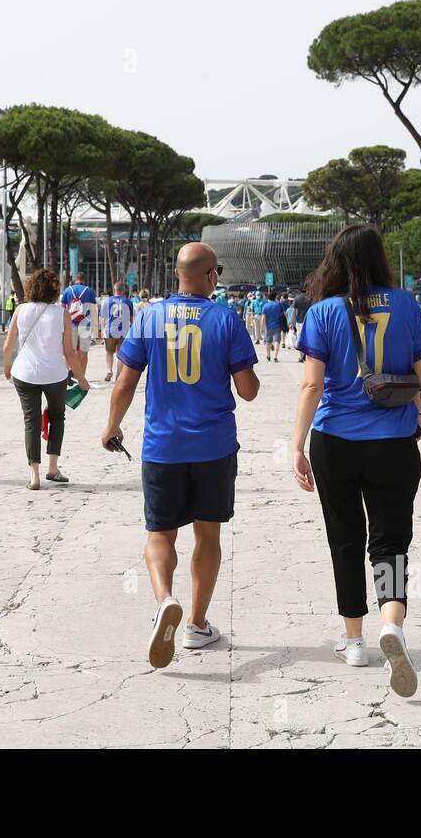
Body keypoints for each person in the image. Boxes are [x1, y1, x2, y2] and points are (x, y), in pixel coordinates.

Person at [291, 224, 421, 698]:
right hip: (393, 445)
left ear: (336, 260)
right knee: (391, 540)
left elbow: (312, 386)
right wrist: (409, 423)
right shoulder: (407, 303)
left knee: (345, 539)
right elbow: (420, 381)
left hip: (335, 441)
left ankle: (354, 639)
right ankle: (392, 621)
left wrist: (296, 443)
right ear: (378, 259)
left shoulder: (323, 312)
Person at [102, 242, 260, 669]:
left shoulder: (150, 317)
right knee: (207, 537)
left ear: (177, 274)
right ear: (211, 275)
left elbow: (125, 382)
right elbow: (247, 391)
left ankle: (164, 601)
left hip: (162, 446)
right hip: (214, 447)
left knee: (159, 535)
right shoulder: (226, 318)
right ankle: (197, 624)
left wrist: (112, 426)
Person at [3, 269, 90, 490]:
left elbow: (8, 346)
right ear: (54, 291)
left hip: (24, 373)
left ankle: (34, 475)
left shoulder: (20, 310)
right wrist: (82, 380)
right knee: (57, 417)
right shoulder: (61, 314)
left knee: (30, 420)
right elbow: (69, 352)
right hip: (54, 374)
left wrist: (7, 367)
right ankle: (53, 467)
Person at [59, 272, 98, 377]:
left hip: (70, 324)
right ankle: (81, 376)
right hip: (85, 324)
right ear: (83, 280)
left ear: (74, 279)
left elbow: (62, 308)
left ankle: (68, 373)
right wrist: (96, 328)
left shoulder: (68, 290)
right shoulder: (89, 291)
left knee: (69, 351)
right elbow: (93, 310)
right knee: (84, 352)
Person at [99, 282, 135, 382]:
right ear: (123, 291)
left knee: (109, 352)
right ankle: (118, 374)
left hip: (110, 330)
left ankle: (109, 370)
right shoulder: (128, 302)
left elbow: (103, 318)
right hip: (123, 331)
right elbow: (131, 319)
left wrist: (101, 329)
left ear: (114, 290)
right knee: (120, 352)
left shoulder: (107, 301)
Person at [262, 290, 285, 361]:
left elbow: (263, 318)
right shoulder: (279, 305)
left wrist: (261, 328)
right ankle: (275, 356)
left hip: (268, 326)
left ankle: (268, 355)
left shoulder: (265, 306)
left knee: (268, 341)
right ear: (275, 297)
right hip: (277, 325)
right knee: (277, 341)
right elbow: (284, 315)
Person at [293, 285, 313, 361]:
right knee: (309, 338)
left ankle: (301, 356)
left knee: (300, 338)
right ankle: (306, 355)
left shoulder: (297, 298)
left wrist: (291, 322)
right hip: (309, 321)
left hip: (299, 321)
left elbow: (294, 311)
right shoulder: (311, 298)